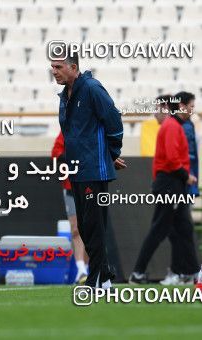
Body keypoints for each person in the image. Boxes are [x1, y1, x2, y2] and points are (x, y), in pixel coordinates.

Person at [51, 49, 125, 290]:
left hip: (94, 170)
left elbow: (113, 120)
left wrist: (111, 154)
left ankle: (96, 279)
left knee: (93, 225)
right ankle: (104, 275)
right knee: (85, 226)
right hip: (77, 170)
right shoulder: (65, 95)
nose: (55, 72)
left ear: (74, 67)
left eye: (59, 67)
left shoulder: (92, 88)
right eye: (52, 67)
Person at [130, 91, 200, 284]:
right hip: (170, 183)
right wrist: (187, 177)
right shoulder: (172, 127)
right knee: (160, 229)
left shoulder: (173, 126)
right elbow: (171, 159)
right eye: (190, 105)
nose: (155, 114)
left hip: (171, 182)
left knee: (182, 228)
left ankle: (191, 271)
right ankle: (138, 272)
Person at [51, 131, 88, 284]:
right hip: (71, 186)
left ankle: (86, 269)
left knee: (90, 229)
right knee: (76, 229)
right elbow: (56, 153)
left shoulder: (92, 129)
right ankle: (81, 270)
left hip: (91, 186)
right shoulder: (67, 130)